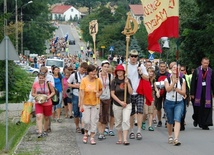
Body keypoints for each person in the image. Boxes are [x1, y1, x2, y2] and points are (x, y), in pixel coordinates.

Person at [127, 49, 148, 140]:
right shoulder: (126, 65)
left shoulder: (141, 66)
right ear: (129, 56)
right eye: (132, 56)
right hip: (129, 91)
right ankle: (131, 130)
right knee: (131, 113)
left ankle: (138, 131)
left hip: (139, 91)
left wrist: (141, 72)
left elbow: (147, 78)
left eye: (135, 56)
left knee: (140, 111)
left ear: (137, 57)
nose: (133, 58)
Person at [79, 64, 103, 145]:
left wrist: (99, 94)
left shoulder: (98, 81)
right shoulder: (84, 80)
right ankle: (86, 133)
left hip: (95, 103)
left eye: (95, 72)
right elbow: (81, 92)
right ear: (88, 72)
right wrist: (81, 104)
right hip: (86, 103)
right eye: (92, 72)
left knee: (94, 120)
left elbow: (101, 90)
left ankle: (92, 137)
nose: (94, 73)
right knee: (86, 120)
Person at [164, 64, 186, 146]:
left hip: (179, 102)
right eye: (173, 68)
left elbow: (183, 92)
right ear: (171, 69)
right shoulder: (167, 79)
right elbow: (168, 89)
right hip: (169, 102)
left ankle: (176, 138)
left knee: (177, 119)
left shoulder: (182, 80)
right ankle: (170, 136)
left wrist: (177, 89)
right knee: (170, 121)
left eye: (177, 68)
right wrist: (173, 83)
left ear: (179, 71)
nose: (175, 69)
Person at [111, 64, 133, 145]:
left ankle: (125, 139)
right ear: (116, 72)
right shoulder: (114, 81)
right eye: (118, 71)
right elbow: (112, 94)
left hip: (127, 104)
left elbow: (131, 92)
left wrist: (128, 84)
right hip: (117, 104)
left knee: (126, 120)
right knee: (118, 121)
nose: (119, 72)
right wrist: (120, 102)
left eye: (121, 71)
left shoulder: (128, 80)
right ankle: (119, 138)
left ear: (123, 72)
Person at [190, 57, 214, 130]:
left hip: (207, 92)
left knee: (207, 108)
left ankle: (205, 124)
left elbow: (213, 82)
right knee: (198, 108)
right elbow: (193, 82)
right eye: (204, 63)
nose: (206, 64)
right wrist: (192, 93)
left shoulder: (211, 71)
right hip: (198, 92)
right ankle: (196, 119)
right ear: (201, 62)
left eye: (207, 63)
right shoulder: (197, 71)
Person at [31, 72, 55, 138]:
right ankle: (40, 132)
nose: (41, 79)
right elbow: (32, 93)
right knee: (38, 116)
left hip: (47, 102)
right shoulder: (35, 84)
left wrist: (48, 96)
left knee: (46, 117)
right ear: (38, 78)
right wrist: (37, 96)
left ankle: (45, 130)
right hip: (38, 102)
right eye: (40, 78)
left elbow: (53, 92)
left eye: (42, 78)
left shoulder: (48, 84)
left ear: (45, 78)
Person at [67, 62, 88, 133]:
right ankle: (77, 126)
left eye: (85, 70)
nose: (84, 71)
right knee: (76, 112)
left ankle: (83, 126)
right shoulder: (74, 75)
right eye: (83, 69)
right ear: (80, 67)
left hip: (85, 95)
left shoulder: (87, 76)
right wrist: (74, 86)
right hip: (76, 94)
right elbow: (68, 83)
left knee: (83, 112)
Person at [97, 60, 113, 140]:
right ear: (102, 67)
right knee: (100, 115)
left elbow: (112, 85)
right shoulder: (97, 75)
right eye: (105, 66)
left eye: (107, 67)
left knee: (105, 115)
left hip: (107, 97)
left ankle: (102, 132)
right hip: (98, 97)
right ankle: (100, 132)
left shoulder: (110, 76)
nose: (106, 68)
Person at [142, 67, 159, 131]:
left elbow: (155, 87)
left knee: (151, 112)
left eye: (152, 72)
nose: (151, 73)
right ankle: (143, 122)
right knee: (146, 112)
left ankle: (150, 125)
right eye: (150, 72)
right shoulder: (145, 79)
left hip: (152, 97)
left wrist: (157, 92)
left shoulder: (153, 80)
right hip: (145, 97)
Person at [155, 61, 170, 127]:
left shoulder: (168, 74)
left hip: (166, 92)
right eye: (161, 66)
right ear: (159, 67)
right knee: (158, 107)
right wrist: (156, 91)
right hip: (158, 92)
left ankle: (167, 120)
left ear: (166, 67)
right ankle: (159, 120)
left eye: (164, 66)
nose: (162, 68)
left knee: (166, 107)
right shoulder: (156, 74)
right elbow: (154, 83)